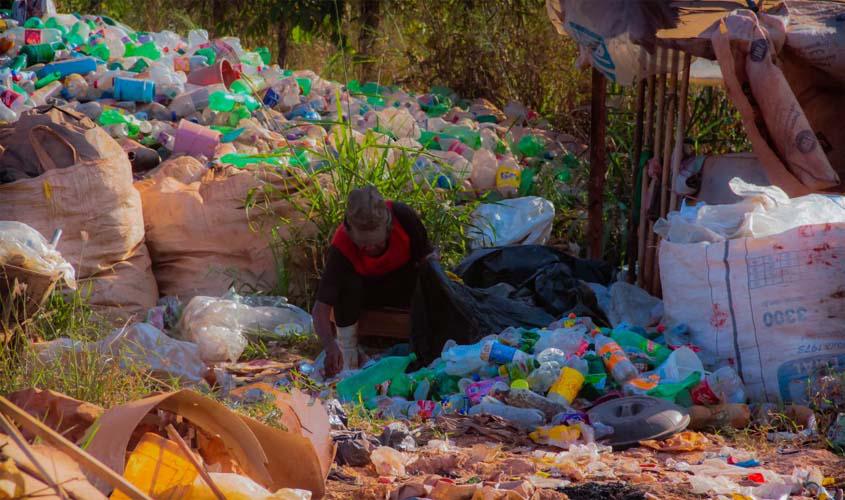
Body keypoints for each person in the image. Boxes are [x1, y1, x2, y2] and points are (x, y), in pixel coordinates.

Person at [312, 186, 436, 377]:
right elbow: (321, 308)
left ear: (388, 229)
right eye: (364, 244)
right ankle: (348, 357)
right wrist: (330, 346)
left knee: (428, 276)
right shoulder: (342, 245)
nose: (371, 248)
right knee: (345, 287)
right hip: (365, 294)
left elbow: (429, 260)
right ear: (351, 233)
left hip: (404, 286)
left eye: (377, 243)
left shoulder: (403, 217)